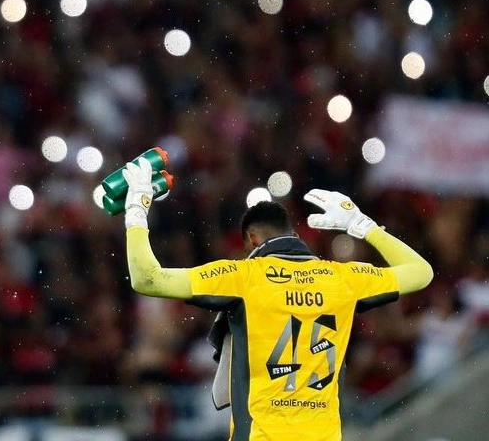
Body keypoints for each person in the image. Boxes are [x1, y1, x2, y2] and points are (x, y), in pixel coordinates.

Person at [121, 157, 433, 441]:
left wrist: (136, 209)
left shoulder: (244, 277)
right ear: (295, 237)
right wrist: (364, 227)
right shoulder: (343, 279)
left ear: (252, 240)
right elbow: (421, 273)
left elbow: (147, 278)